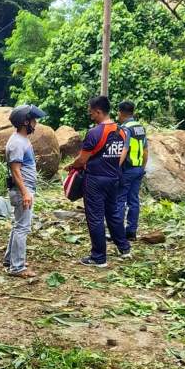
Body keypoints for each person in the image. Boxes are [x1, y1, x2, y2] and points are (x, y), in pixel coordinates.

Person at [66, 95, 130, 267]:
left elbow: (82, 160)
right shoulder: (122, 131)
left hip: (95, 180)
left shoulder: (95, 133)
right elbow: (121, 154)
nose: (91, 115)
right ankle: (124, 248)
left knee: (95, 217)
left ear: (98, 111)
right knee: (113, 214)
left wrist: (72, 166)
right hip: (114, 178)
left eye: (92, 113)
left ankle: (99, 257)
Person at [3, 104, 46, 277]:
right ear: (25, 122)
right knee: (22, 228)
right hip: (22, 190)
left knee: (18, 225)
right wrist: (26, 192)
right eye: (33, 120)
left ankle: (10, 259)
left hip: (25, 189)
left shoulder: (21, 140)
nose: (35, 123)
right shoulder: (17, 143)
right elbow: (15, 171)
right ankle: (17, 267)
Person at [116, 101, 147, 241]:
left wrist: (116, 167)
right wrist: (143, 167)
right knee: (133, 201)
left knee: (120, 199)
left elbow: (125, 149)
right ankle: (131, 232)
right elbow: (145, 150)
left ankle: (118, 232)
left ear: (121, 113)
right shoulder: (140, 127)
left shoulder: (125, 129)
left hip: (127, 169)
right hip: (139, 168)